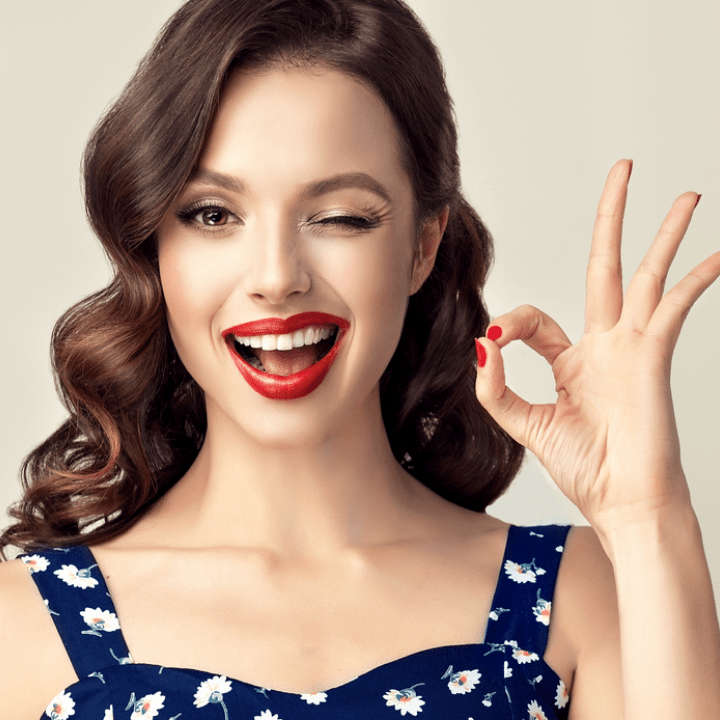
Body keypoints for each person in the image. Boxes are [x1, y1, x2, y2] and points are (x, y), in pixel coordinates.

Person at [1, 0, 719, 718]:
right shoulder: (22, 623)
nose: (277, 276)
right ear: (157, 247)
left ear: (423, 247)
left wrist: (649, 512)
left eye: (340, 217)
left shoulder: (578, 595)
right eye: (214, 214)